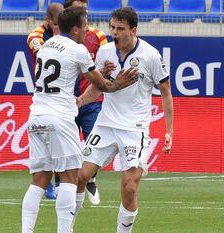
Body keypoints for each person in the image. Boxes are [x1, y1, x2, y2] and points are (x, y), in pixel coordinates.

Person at [21, 6, 138, 233]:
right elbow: (103, 86)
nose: (88, 30)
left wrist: (100, 72)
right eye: (85, 25)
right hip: (60, 118)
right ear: (75, 29)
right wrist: (119, 81)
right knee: (70, 177)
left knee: (39, 179)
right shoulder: (79, 50)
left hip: (36, 116)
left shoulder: (46, 45)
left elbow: (72, 73)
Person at [71, 7, 174, 233]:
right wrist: (79, 101)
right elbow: (98, 88)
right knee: (79, 175)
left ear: (133, 30)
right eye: (112, 28)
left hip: (134, 129)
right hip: (106, 124)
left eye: (120, 29)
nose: (114, 33)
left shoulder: (151, 55)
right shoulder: (105, 52)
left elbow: (166, 91)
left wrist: (169, 131)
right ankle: (67, 227)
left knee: (129, 187)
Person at [63, 0, 111, 206]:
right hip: (66, 102)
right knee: (69, 148)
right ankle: (68, 185)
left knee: (94, 143)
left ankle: (90, 179)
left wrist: (106, 75)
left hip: (90, 99)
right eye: (79, 8)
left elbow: (102, 63)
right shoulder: (62, 40)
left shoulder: (98, 36)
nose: (85, 11)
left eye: (86, 7)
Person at [27, 2, 64, 200]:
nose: (58, 28)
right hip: (43, 95)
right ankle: (45, 183)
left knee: (61, 142)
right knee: (43, 143)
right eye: (56, 24)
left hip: (63, 95)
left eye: (61, 24)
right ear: (48, 21)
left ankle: (59, 181)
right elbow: (44, 54)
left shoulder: (64, 33)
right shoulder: (35, 36)